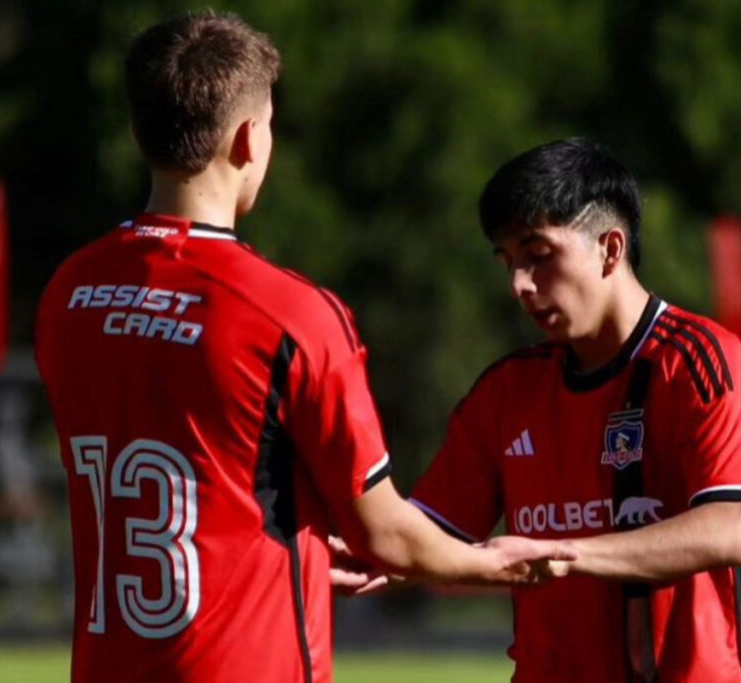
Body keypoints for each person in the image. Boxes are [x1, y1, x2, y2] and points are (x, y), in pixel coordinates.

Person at [34, 12, 569, 683]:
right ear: (249, 139)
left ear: (139, 131)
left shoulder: (70, 292)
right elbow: (384, 533)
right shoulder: (288, 315)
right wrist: (499, 562)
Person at [408, 138, 741, 682]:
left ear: (610, 248)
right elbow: (425, 536)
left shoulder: (699, 361)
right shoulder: (508, 390)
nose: (519, 285)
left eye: (538, 255)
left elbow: (727, 530)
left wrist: (560, 553)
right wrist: (333, 552)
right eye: (508, 262)